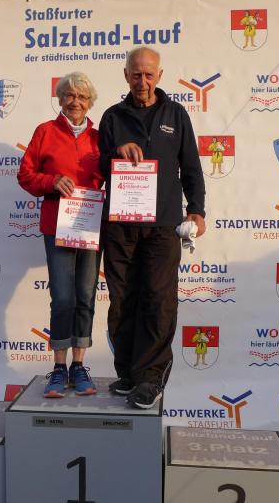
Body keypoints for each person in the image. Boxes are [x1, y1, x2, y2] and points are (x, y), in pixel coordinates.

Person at [99, 47, 206, 409]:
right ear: (125, 75)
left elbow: (191, 167)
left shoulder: (176, 114)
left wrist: (197, 210)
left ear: (159, 76)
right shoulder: (112, 117)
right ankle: (129, 373)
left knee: (158, 300)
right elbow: (98, 167)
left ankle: (150, 378)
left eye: (148, 74)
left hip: (163, 225)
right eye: (136, 74)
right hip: (121, 225)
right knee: (122, 300)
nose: (142, 81)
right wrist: (116, 151)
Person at [18, 72, 103, 398]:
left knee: (85, 296)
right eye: (69, 95)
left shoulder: (100, 137)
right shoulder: (45, 131)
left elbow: (114, 175)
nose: (75, 102)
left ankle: (79, 365)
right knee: (63, 298)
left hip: (90, 226)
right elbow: (25, 175)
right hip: (57, 227)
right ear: (60, 98)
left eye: (82, 96)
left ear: (90, 102)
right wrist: (51, 181)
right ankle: (58, 367)